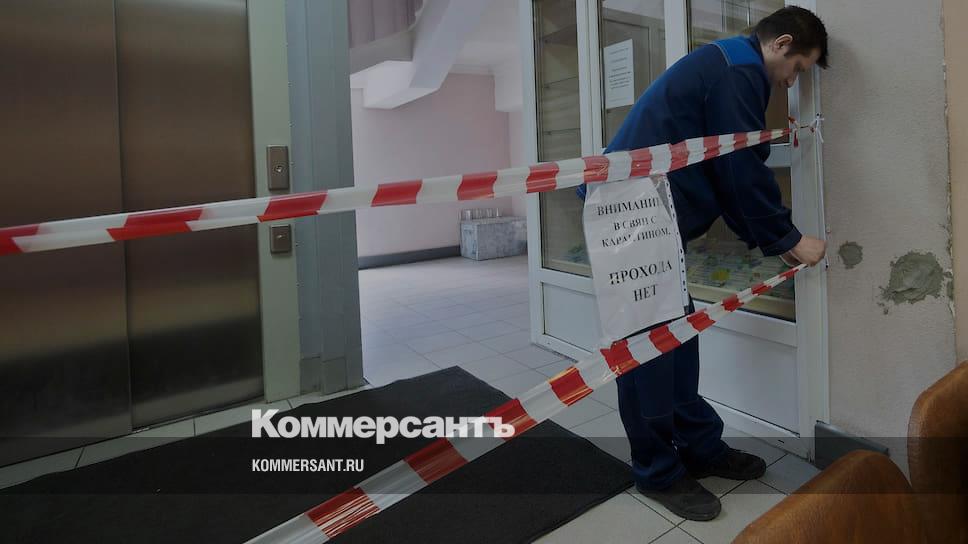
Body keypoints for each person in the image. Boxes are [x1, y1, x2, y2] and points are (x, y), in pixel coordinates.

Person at [576, 6, 829, 521]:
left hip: (650, 215)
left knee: (678, 338)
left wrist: (767, 232)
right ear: (781, 44)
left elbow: (724, 163)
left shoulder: (730, 61)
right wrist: (787, 237)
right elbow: (738, 169)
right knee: (648, 351)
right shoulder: (739, 70)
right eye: (798, 67)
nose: (792, 80)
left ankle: (700, 447)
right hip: (629, 215)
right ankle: (657, 471)